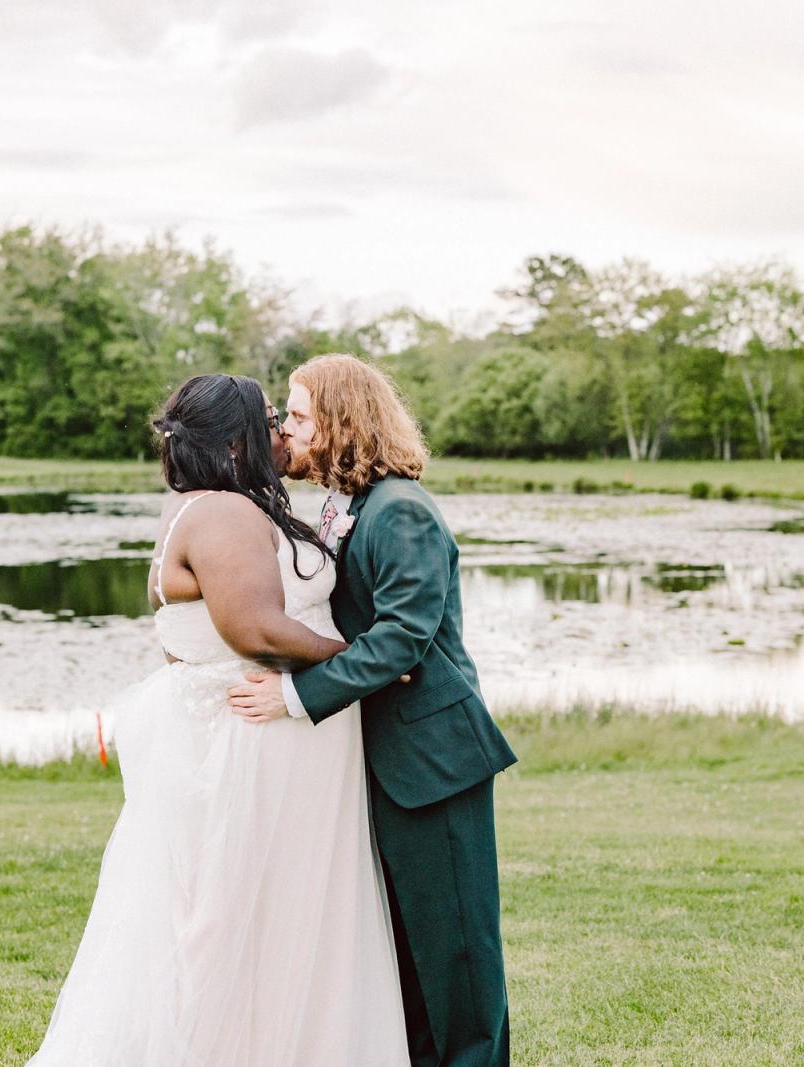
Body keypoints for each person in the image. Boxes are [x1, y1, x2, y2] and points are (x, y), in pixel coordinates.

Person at [26, 373, 410, 1067]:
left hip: (270, 737)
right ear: (235, 441)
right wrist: (366, 659)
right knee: (239, 925)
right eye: (270, 418)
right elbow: (255, 629)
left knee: (263, 921)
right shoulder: (224, 514)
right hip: (253, 742)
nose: (280, 431)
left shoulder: (215, 504)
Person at [228, 354, 518, 1067]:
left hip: (432, 762)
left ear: (340, 422)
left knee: (457, 960)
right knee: (404, 958)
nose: (287, 430)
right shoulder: (349, 504)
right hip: (381, 758)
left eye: (299, 416)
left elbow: (401, 637)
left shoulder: (401, 510)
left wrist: (294, 697)